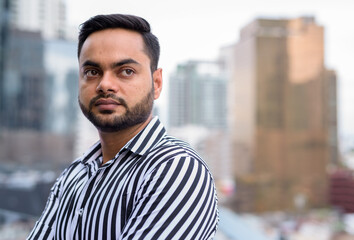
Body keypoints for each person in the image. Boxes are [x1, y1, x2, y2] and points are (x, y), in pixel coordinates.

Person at [27, 14, 218, 239]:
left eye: (126, 71)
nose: (105, 84)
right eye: (92, 72)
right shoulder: (74, 175)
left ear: (156, 84)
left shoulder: (176, 168)